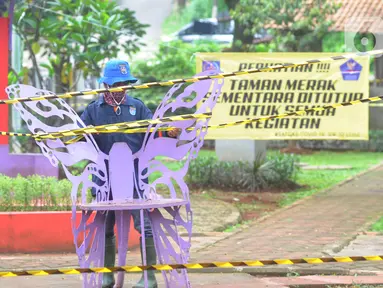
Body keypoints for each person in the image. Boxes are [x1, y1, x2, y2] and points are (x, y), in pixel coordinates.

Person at [80, 59, 180, 288]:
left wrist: (168, 131)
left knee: (144, 226)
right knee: (105, 226)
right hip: (105, 179)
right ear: (106, 85)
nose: (121, 88)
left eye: (125, 83)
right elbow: (81, 139)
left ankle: (149, 278)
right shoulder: (93, 111)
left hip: (136, 178)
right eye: (117, 84)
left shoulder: (137, 107)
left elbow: (153, 130)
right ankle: (107, 276)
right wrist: (69, 136)